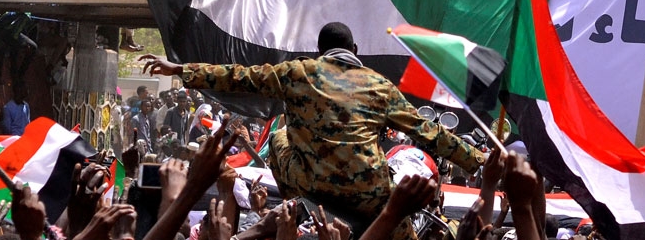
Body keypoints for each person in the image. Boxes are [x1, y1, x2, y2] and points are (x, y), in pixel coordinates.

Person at [144, 22, 484, 240]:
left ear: (320, 52)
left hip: (314, 188)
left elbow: (238, 76)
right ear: (354, 52)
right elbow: (428, 132)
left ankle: (297, 207)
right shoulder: (379, 85)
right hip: (370, 195)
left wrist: (182, 69)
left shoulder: (299, 72)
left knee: (278, 138)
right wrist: (479, 160)